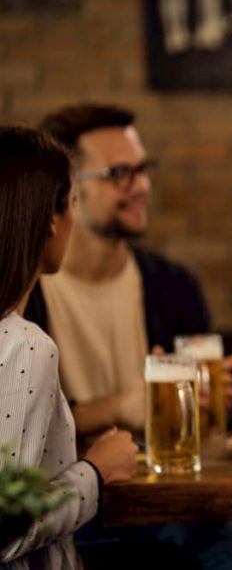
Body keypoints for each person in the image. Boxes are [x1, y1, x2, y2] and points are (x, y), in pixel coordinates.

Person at [22, 103, 232, 570]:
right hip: (70, 511)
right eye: (120, 173)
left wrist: (209, 398)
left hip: (169, 501)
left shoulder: (171, 284)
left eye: (143, 170)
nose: (142, 187)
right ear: (68, 192)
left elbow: (205, 425)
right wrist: (119, 407)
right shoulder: (24, 293)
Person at [0, 126, 138, 568]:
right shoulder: (25, 347)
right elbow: (7, 525)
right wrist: (98, 469)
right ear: (52, 220)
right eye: (73, 200)